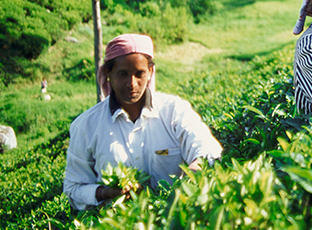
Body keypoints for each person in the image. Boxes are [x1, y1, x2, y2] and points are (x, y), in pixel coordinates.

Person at [63, 34, 222, 211]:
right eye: (122, 74)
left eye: (140, 74)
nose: (132, 84)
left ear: (150, 72)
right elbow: (73, 188)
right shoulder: (86, 126)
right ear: (108, 73)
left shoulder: (174, 110)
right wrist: (105, 193)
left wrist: (194, 170)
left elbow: (208, 150)